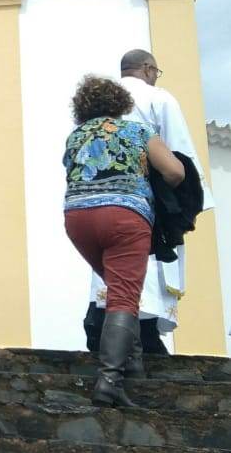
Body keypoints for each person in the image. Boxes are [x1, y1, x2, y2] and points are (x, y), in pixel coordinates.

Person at [62, 75, 184, 408]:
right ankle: (110, 381)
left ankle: (134, 359)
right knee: (125, 293)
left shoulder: (76, 136)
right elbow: (175, 172)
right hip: (125, 216)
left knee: (118, 288)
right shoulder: (138, 131)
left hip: (78, 219)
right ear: (120, 103)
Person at [86, 49, 214, 353]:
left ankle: (100, 324)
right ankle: (142, 333)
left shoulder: (103, 104)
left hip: (99, 199)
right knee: (148, 263)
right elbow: (180, 155)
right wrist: (191, 202)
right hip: (146, 198)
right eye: (157, 70)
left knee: (109, 266)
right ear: (147, 68)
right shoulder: (159, 98)